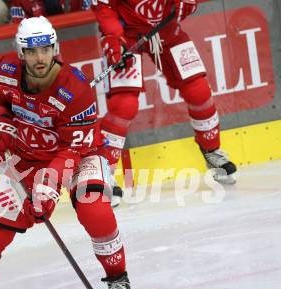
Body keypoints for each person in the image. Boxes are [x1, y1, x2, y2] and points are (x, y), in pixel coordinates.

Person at [0, 16, 134, 289]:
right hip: (27, 159)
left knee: (94, 209)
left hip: (80, 155)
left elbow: (72, 150)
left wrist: (48, 186)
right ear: (21, 52)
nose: (40, 58)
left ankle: (118, 280)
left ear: (55, 48)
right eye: (32, 52)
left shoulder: (76, 88)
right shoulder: (5, 70)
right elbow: (2, 105)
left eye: (45, 49)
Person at [92, 0, 237, 193]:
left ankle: (212, 151)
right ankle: (103, 171)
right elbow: (103, 7)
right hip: (124, 35)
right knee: (124, 104)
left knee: (198, 90)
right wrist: (112, 36)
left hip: (167, 30)